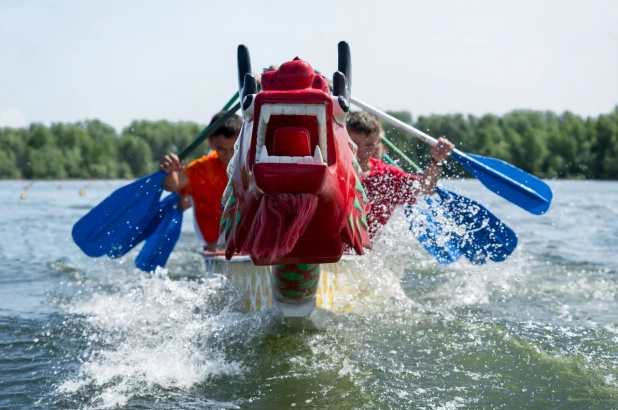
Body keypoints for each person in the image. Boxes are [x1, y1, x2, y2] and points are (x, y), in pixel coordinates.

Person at [346, 110, 454, 240]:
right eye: (356, 144)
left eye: (369, 145)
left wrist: (437, 161)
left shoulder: (386, 175)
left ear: (377, 143)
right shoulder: (331, 166)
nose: (361, 153)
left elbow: (425, 187)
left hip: (365, 253)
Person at [159, 111, 242, 251]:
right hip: (215, 248)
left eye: (234, 148)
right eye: (222, 149)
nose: (229, 156)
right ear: (211, 142)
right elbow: (172, 185)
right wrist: (169, 169)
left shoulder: (253, 165)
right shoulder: (200, 169)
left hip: (250, 245)